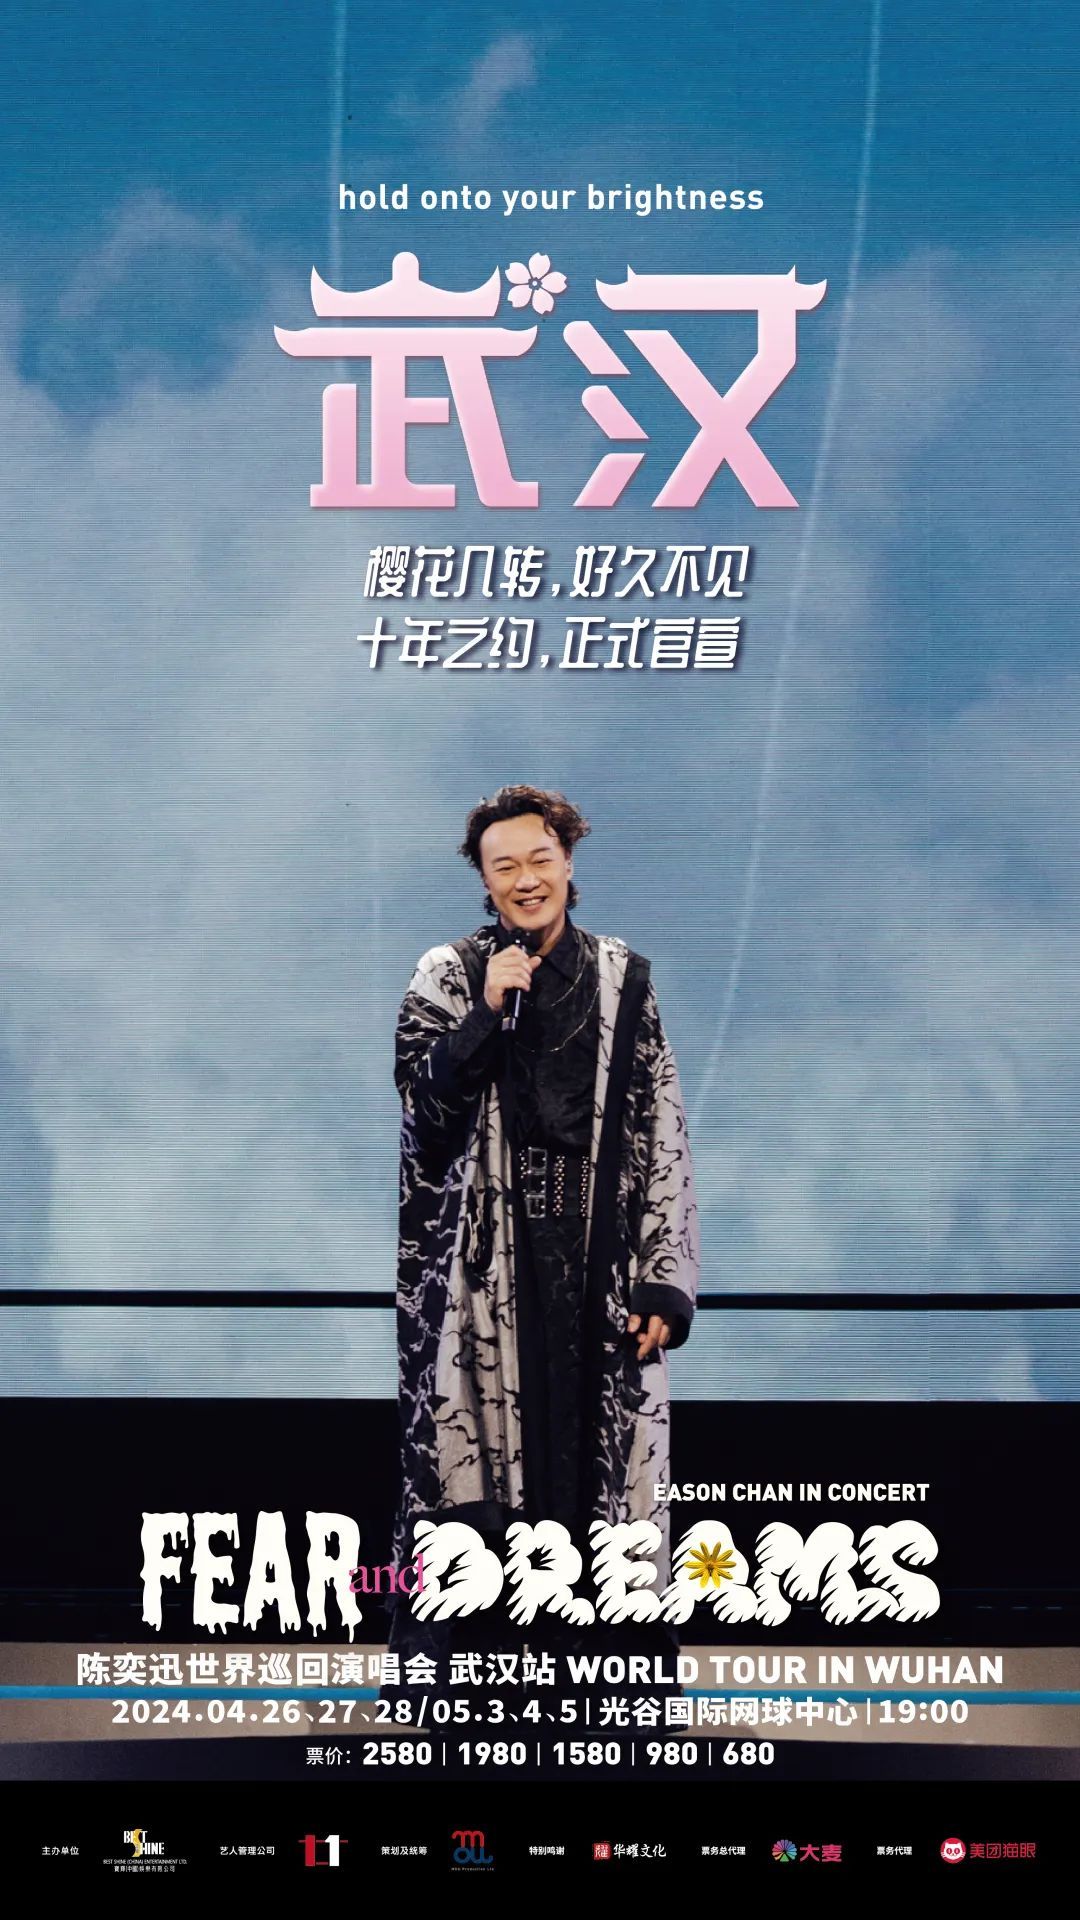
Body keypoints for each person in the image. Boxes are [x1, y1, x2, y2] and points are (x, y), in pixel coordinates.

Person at [384, 784, 700, 1684]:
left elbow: (661, 1122)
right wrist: (486, 1014)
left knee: (608, 1480)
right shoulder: (447, 973)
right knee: (475, 1471)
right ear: (484, 880)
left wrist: (663, 1277)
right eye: (504, 866)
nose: (525, 879)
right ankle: (473, 1682)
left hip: (597, 1266)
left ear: (568, 862)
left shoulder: (623, 977)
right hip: (486, 1269)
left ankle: (610, 1686)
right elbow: (423, 1117)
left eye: (540, 859)